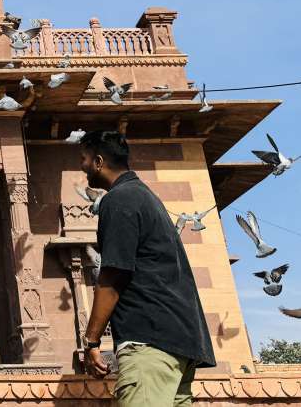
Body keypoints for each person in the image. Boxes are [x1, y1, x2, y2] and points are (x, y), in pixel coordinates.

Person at [79, 130, 215, 406]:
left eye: (84, 159)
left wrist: (92, 341)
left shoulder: (119, 199)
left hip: (149, 344)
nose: (81, 167)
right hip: (182, 344)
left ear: (99, 162)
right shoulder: (147, 198)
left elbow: (113, 275)